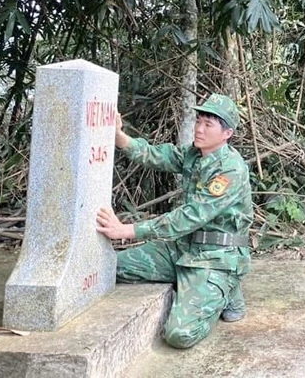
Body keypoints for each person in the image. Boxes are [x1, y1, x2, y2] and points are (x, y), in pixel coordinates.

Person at [96, 93, 253, 349]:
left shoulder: (230, 169)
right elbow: (157, 156)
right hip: (182, 249)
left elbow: (190, 216)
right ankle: (191, 283)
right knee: (111, 267)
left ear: (227, 133)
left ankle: (225, 289)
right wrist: (120, 138)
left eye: (208, 124)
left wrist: (127, 230)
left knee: (179, 335)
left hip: (215, 257)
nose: (199, 129)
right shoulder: (194, 154)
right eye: (198, 121)